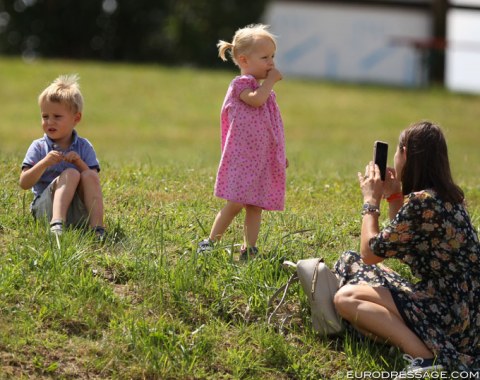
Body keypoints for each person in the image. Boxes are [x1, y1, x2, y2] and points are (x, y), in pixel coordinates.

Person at [333, 121, 480, 374]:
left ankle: (426, 358)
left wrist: (370, 202)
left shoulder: (423, 202)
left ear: (406, 153)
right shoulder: (446, 198)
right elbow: (398, 241)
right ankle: (410, 342)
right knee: (350, 260)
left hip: (450, 319)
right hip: (462, 313)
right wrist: (393, 196)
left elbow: (371, 254)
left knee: (345, 297)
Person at [197, 24, 288, 260]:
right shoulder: (241, 86)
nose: (271, 63)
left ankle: (249, 248)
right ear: (244, 60)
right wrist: (271, 82)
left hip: (260, 158)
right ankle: (210, 241)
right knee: (236, 202)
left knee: (255, 205)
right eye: (265, 57)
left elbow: (271, 126)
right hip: (242, 157)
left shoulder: (264, 91)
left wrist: (278, 152)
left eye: (273, 57)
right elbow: (255, 101)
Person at [19, 74, 105, 239]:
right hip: (45, 210)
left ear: (76, 118)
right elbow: (24, 183)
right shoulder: (38, 146)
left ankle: (97, 228)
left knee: (87, 174)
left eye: (57, 117)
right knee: (71, 174)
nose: (49, 122)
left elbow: (93, 181)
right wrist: (44, 163)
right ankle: (57, 224)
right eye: (45, 116)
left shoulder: (84, 146)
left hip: (77, 210)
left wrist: (79, 162)